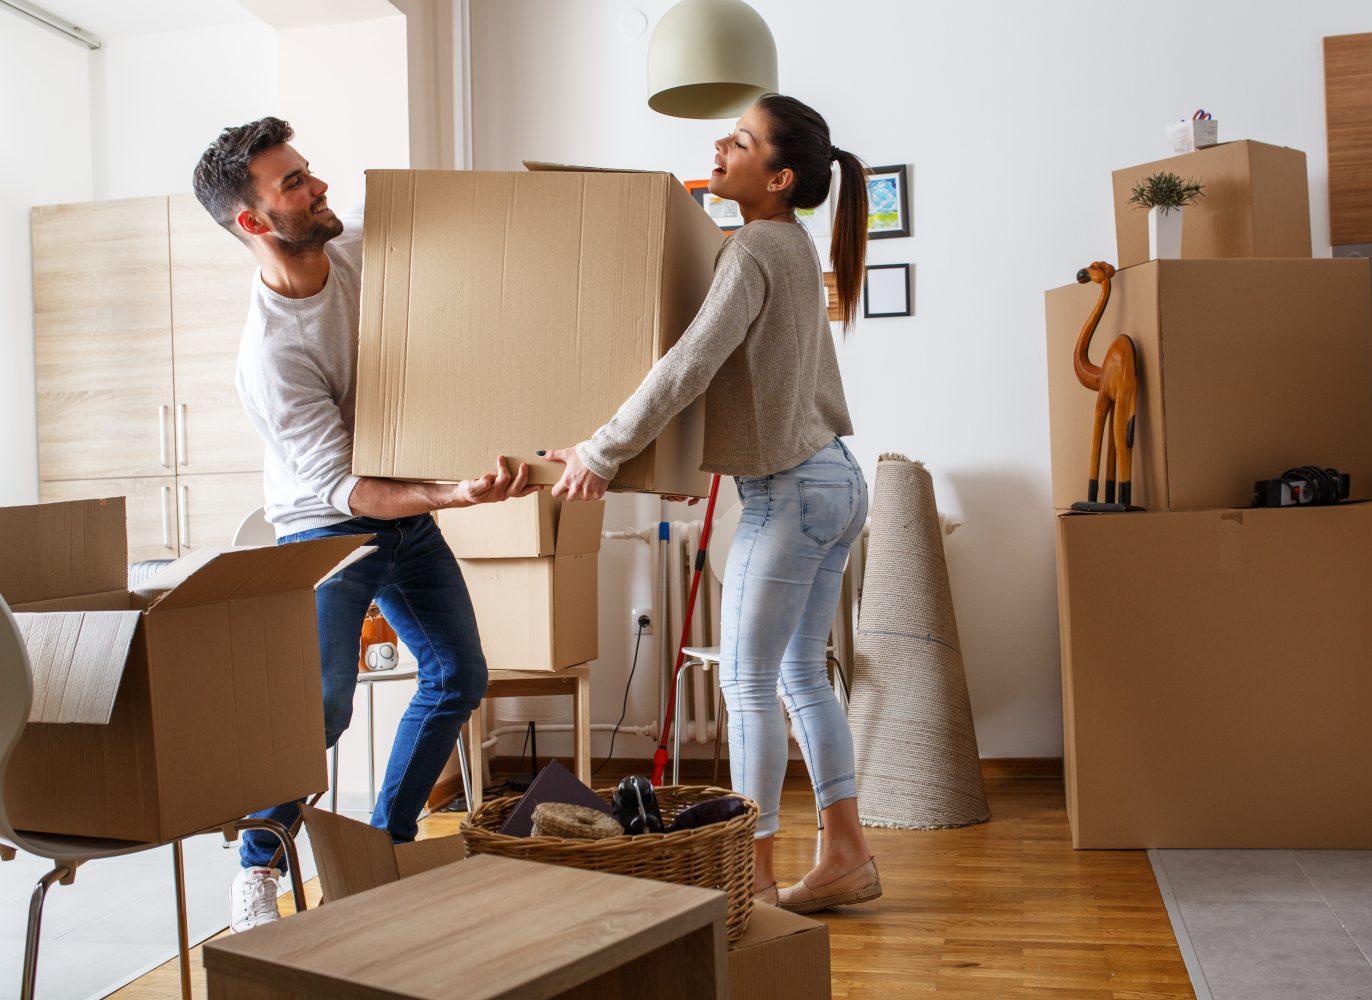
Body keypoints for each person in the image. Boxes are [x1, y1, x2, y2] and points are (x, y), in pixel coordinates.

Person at [192, 117, 533, 933]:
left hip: (404, 514)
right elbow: (348, 489)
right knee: (322, 708)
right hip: (327, 529)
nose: (319, 188)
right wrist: (452, 496)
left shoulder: (356, 248)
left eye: (309, 171)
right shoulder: (270, 356)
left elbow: (455, 233)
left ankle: (384, 848)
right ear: (254, 222)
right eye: (295, 185)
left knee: (458, 675)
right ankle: (258, 866)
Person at [543, 94, 880, 914]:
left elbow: (687, 365)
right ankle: (846, 858)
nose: (719, 147)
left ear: (780, 175)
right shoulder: (789, 244)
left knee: (750, 686)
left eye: (740, 141)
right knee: (800, 673)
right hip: (834, 481)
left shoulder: (756, 246)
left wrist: (602, 451)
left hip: (792, 493)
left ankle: (754, 882)